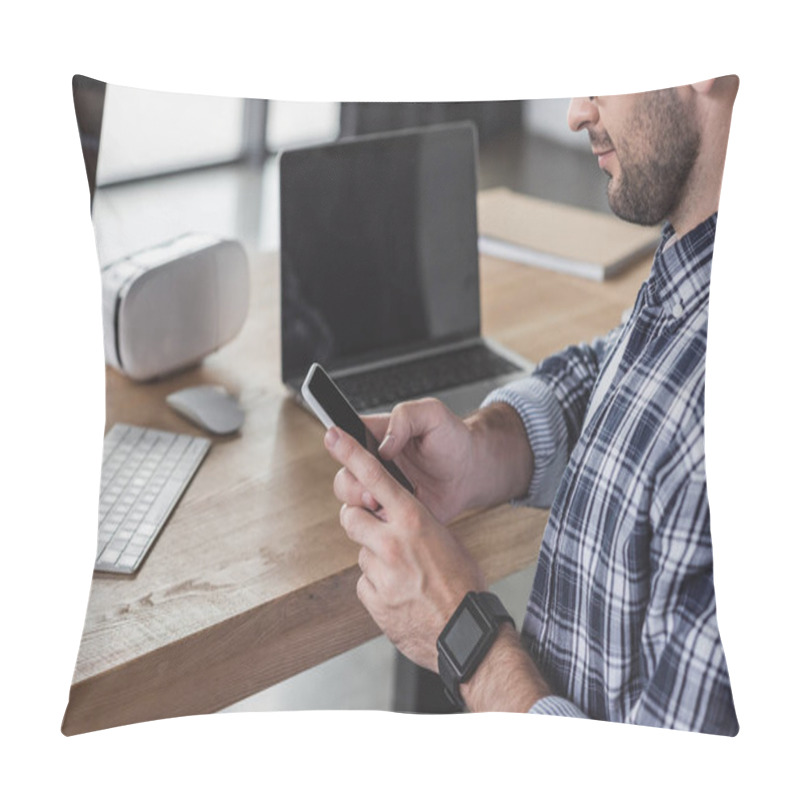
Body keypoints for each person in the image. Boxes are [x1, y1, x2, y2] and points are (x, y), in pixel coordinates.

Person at [322, 77, 740, 735]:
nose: (576, 113)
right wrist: (487, 446)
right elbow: (627, 369)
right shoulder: (702, 255)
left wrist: (464, 635)